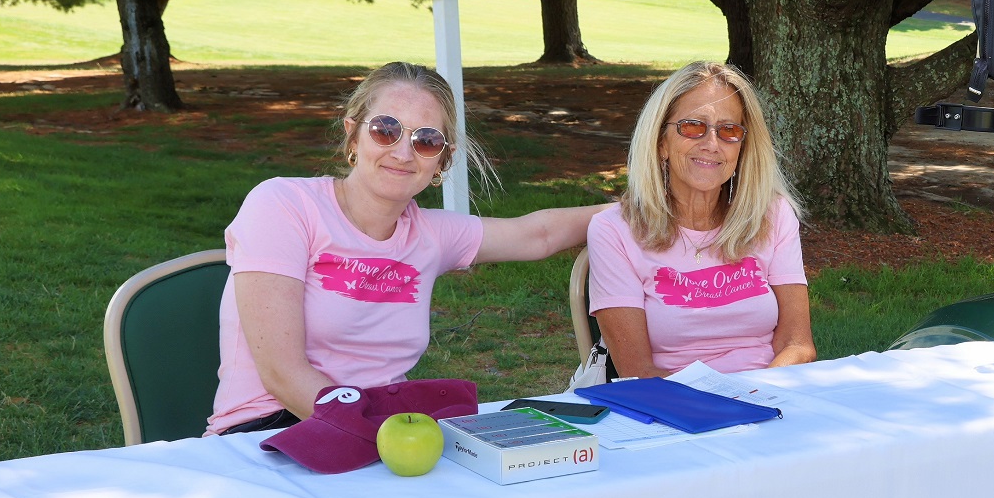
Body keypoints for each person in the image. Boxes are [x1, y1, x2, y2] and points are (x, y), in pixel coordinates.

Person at [207, 62, 607, 436]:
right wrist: (382, 438)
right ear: (353, 133)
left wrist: (646, 207)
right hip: (269, 429)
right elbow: (282, 372)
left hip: (380, 426)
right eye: (386, 129)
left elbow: (537, 234)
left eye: (426, 140)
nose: (402, 152)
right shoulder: (284, 204)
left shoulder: (429, 235)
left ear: (443, 160)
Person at [585, 61, 814, 378]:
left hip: (769, 396)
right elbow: (637, 371)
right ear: (661, 142)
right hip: (671, 407)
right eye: (693, 126)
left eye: (729, 131)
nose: (711, 144)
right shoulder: (614, 230)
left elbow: (797, 345)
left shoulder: (773, 215)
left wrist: (760, 394)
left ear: (743, 147)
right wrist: (717, 406)